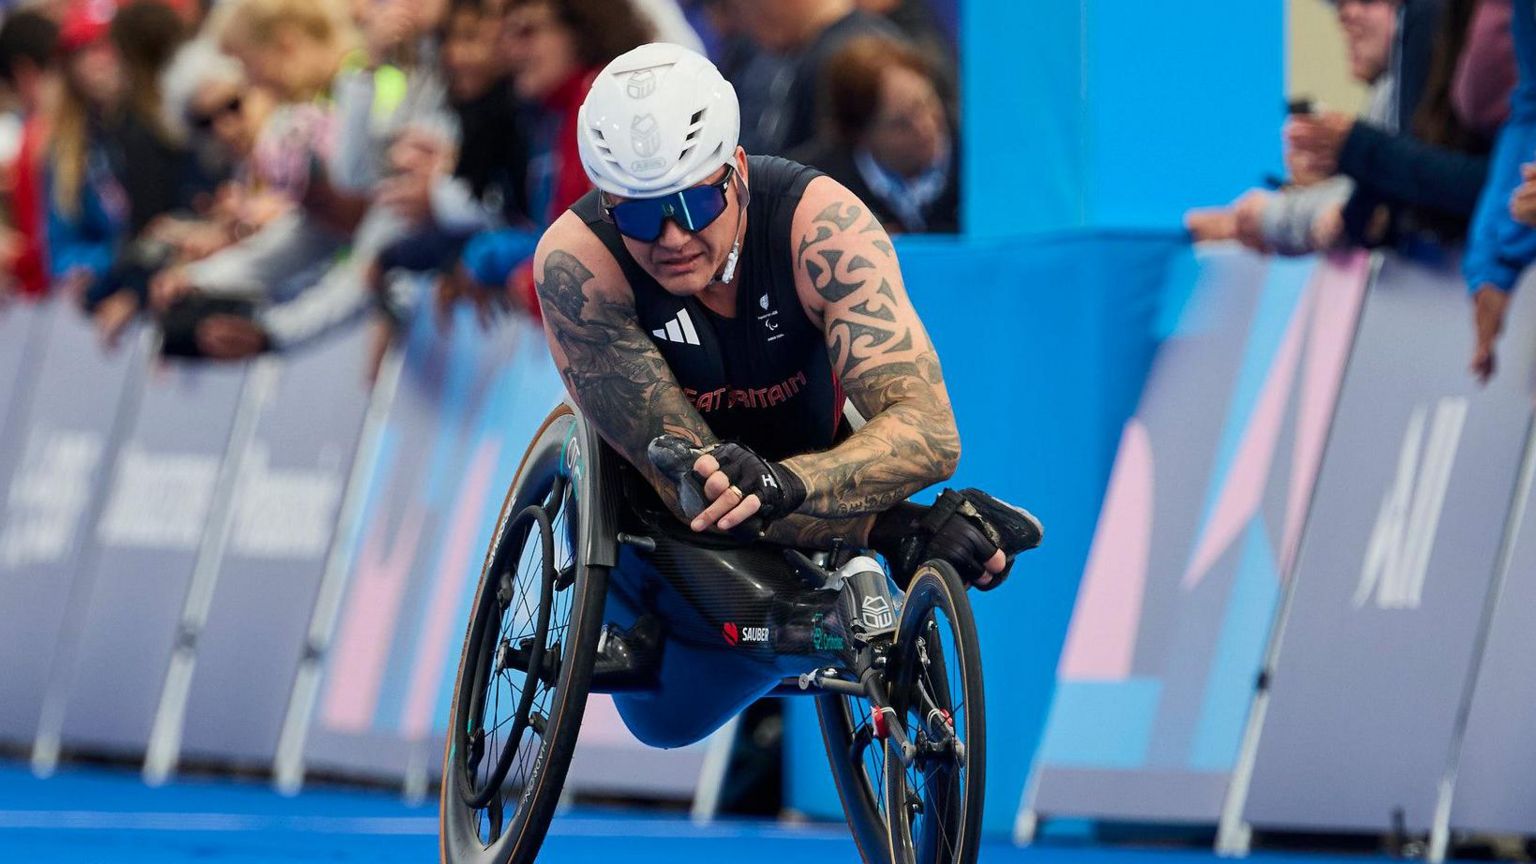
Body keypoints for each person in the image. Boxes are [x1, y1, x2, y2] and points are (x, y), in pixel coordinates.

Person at [535, 43, 1041, 588]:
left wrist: (785, 482)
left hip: (807, 460)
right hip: (663, 518)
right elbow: (695, 493)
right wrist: (892, 528)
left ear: (739, 172)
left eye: (696, 205)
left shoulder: (822, 228)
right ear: (607, 205)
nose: (673, 237)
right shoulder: (579, 267)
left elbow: (931, 432)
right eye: (637, 216)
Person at [791, 34, 958, 233]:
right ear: (860, 136)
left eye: (926, 103)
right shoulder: (813, 188)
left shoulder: (980, 157)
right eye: (901, 124)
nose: (925, 126)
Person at [0, 10, 60, 300]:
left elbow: (42, 247)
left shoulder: (39, 136)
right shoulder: (24, 134)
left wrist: (14, 257)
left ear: (23, 72)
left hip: (49, 289)